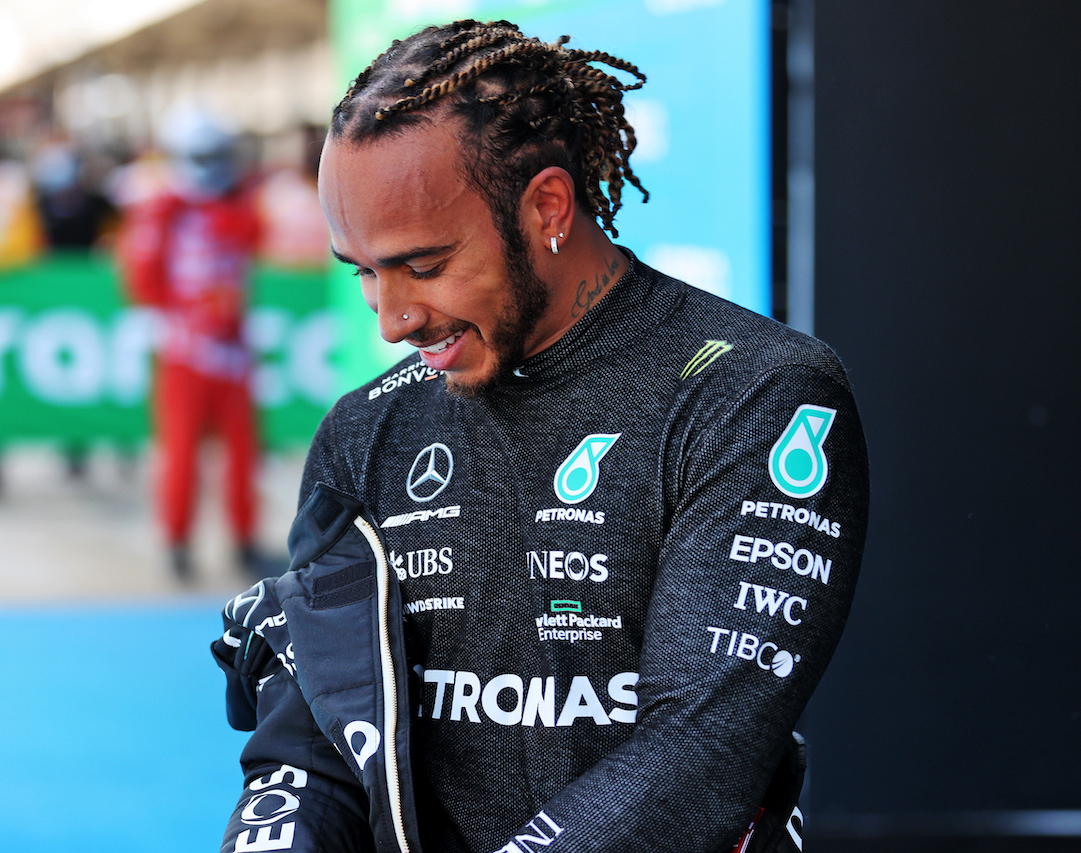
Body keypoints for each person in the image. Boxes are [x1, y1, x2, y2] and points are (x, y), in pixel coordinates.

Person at [212, 19, 868, 853]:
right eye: (364, 272)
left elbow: (699, 752)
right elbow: (317, 739)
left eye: (423, 263)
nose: (392, 317)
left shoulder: (759, 394)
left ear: (546, 207)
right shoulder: (367, 428)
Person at [120, 107, 263, 581]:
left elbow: (256, 238)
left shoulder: (236, 206)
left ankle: (243, 541)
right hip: (184, 352)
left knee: (243, 452)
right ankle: (178, 542)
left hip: (232, 349)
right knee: (181, 453)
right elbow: (140, 281)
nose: (211, 164)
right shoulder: (160, 211)